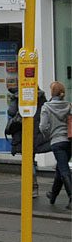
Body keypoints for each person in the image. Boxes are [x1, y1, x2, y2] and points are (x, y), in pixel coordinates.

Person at [5, 87, 51, 197]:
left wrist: (14, 99)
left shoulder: (19, 96)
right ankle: (33, 187)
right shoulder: (41, 96)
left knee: (28, 160)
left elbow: (11, 112)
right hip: (37, 131)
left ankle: (32, 186)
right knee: (31, 158)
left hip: (24, 131)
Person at [39, 81, 70, 210]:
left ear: (52, 92)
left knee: (64, 170)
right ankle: (53, 194)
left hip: (57, 141)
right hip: (69, 141)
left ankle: (71, 197)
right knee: (60, 168)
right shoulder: (69, 105)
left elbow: (43, 126)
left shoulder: (46, 107)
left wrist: (48, 135)